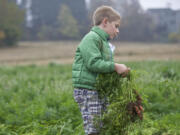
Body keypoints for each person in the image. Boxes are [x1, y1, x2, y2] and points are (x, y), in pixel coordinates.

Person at [72, 5, 130, 135]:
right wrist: (115, 66)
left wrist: (118, 71)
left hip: (97, 89)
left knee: (104, 124)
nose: (118, 30)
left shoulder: (104, 43)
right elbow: (93, 63)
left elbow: (104, 67)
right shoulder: (91, 38)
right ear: (105, 22)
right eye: (116, 26)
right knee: (94, 127)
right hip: (87, 90)